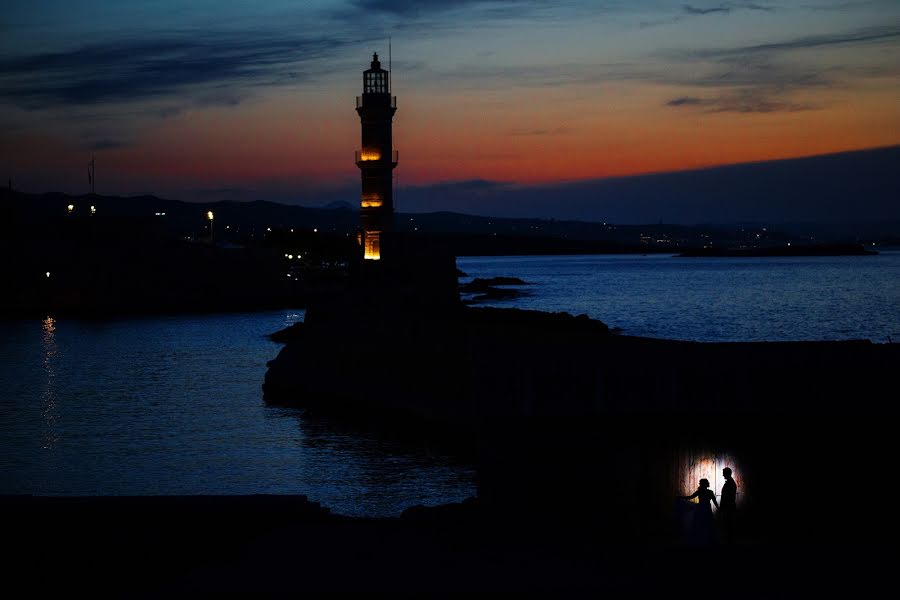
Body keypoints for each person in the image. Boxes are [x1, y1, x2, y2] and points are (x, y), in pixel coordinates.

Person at [679, 478, 719, 544]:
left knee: (701, 524)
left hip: (701, 509)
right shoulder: (709, 492)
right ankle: (708, 540)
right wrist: (718, 508)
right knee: (707, 524)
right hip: (706, 509)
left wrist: (681, 497)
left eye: (700, 483)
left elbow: (690, 497)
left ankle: (701, 540)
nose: (700, 484)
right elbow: (714, 502)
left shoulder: (699, 491)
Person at [719, 467, 737, 543]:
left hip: (728, 506)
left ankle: (729, 541)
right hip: (728, 506)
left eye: (724, 473)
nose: (723, 475)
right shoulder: (730, 482)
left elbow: (728, 496)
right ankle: (729, 540)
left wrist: (723, 505)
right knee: (728, 523)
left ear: (727, 473)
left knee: (728, 523)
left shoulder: (730, 483)